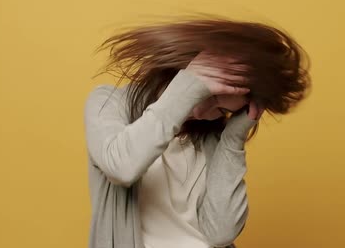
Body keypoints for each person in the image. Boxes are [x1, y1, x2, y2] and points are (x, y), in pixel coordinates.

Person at [84, 15, 311, 248]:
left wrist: (233, 140)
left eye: (221, 109)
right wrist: (190, 87)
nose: (204, 112)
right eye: (209, 95)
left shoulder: (210, 138)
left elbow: (221, 233)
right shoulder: (110, 102)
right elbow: (122, 167)